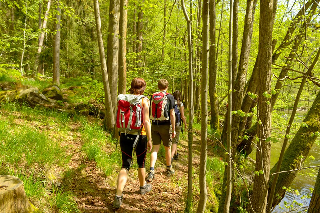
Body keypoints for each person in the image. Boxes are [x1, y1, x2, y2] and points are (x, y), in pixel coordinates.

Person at [113, 78, 153, 209]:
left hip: (124, 134)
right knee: (141, 162)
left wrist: (119, 133)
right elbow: (146, 121)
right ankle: (142, 187)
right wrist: (150, 139)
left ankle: (118, 195)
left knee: (125, 165)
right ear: (143, 88)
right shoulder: (144, 100)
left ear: (132, 87)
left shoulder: (123, 98)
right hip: (140, 135)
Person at [146, 79, 176, 181]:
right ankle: (169, 168)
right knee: (167, 147)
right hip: (165, 125)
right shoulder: (169, 97)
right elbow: (172, 114)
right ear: (167, 87)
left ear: (158, 87)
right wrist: (174, 128)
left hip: (154, 124)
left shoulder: (153, 96)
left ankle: (151, 170)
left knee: (155, 148)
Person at [171, 90, 187, 161]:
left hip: (169, 123)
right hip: (177, 123)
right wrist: (185, 124)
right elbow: (182, 116)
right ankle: (170, 158)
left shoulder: (170, 102)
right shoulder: (180, 104)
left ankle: (175, 154)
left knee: (172, 140)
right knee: (175, 141)